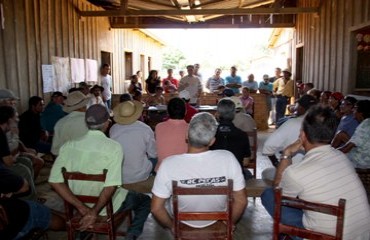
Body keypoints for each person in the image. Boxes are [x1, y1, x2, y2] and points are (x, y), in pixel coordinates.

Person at [261, 105, 370, 240]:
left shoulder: (296, 172)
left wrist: (286, 154)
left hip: (326, 236)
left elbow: (278, 193)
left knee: (269, 194)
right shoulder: (341, 157)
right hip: (361, 234)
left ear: (302, 135)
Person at [49, 105, 150, 240]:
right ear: (107, 123)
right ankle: (131, 236)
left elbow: (54, 181)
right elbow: (111, 186)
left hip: (80, 203)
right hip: (107, 205)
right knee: (145, 201)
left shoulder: (68, 146)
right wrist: (94, 212)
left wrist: (83, 209)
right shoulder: (113, 148)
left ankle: (84, 231)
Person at [151, 112, 247, 231]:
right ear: (212, 141)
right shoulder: (228, 158)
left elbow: (156, 208)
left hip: (183, 224)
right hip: (217, 221)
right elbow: (241, 200)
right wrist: (229, 223)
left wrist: (173, 226)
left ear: (186, 135)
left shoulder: (168, 164)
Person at [0, 165, 65, 239]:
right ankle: (72, 226)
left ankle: (71, 220)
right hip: (17, 220)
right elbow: (24, 187)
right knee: (39, 211)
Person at [261, 95, 317, 180]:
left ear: (301, 108)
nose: (295, 107)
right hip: (316, 174)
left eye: (297, 105)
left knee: (266, 173)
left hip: (293, 174)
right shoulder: (323, 124)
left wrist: (277, 164)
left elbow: (268, 146)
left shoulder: (292, 123)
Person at [110, 100, 157, 184]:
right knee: (155, 158)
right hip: (141, 174)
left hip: (119, 174)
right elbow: (153, 154)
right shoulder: (145, 128)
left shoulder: (113, 129)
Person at [210, 99, 252, 180]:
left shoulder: (210, 134)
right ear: (233, 114)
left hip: (215, 176)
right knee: (248, 174)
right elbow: (246, 162)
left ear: (217, 113)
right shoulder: (242, 135)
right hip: (235, 177)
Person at [51, 91, 89, 156]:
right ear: (83, 107)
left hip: (65, 161)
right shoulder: (89, 122)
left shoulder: (60, 123)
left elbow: (55, 151)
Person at [155, 97, 188, 172]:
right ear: (185, 111)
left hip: (162, 171)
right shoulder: (191, 128)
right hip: (184, 171)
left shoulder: (159, 127)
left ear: (167, 112)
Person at [339, 100, 370, 169]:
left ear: (361, 112)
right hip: (365, 159)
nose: (353, 110)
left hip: (362, 163)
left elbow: (346, 148)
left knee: (333, 160)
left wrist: (331, 152)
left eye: (355, 108)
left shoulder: (363, 126)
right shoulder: (367, 122)